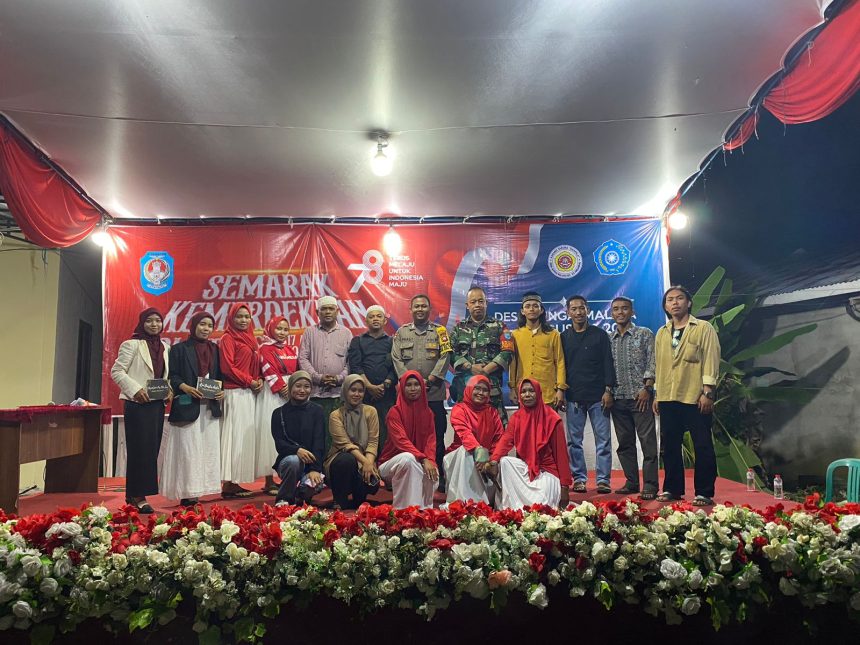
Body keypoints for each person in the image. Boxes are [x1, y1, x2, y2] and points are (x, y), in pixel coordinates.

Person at [653, 286, 721, 506]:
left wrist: (708, 392)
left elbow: (711, 359)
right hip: (667, 396)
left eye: (680, 298)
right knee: (670, 446)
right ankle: (672, 489)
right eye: (670, 300)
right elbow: (660, 366)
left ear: (689, 303)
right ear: (665, 306)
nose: (675, 303)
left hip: (695, 396)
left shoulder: (703, 328)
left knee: (702, 445)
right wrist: (657, 394)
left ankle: (704, 492)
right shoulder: (662, 332)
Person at [160, 311, 224, 507]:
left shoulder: (215, 349)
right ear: (193, 325)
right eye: (202, 324)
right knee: (188, 451)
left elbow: (219, 375)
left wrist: (220, 392)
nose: (206, 329)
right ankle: (187, 493)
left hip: (209, 408)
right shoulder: (179, 349)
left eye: (209, 325)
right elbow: (173, 375)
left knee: (206, 451)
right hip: (188, 405)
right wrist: (185, 387)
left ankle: (202, 489)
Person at [110, 307, 171, 513]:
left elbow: (164, 375)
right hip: (137, 404)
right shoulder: (132, 345)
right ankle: (138, 496)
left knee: (151, 450)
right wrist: (135, 390)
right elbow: (117, 371)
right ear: (142, 323)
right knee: (139, 450)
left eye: (158, 321)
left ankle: (133, 494)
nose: (154, 325)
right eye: (149, 321)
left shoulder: (165, 347)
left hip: (156, 404)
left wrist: (169, 390)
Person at [391, 294, 451, 491]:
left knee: (437, 437)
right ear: (410, 309)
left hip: (433, 395)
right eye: (416, 306)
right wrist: (410, 383)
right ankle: (407, 474)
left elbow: (445, 356)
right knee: (407, 437)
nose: (420, 309)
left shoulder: (440, 332)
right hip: (407, 399)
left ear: (429, 309)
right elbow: (396, 358)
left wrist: (431, 380)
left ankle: (438, 476)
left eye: (423, 306)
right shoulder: (401, 332)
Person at [486, 379, 572, 509]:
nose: (527, 395)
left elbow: (561, 456)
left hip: (547, 472)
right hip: (527, 470)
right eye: (523, 391)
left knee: (541, 507)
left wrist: (565, 487)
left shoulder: (552, 418)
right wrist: (493, 461)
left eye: (531, 391)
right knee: (505, 462)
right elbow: (505, 441)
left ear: (538, 393)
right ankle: (512, 508)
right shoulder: (517, 417)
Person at [560, 295, 616, 494]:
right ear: (567, 313)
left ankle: (603, 479)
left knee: (604, 440)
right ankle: (580, 479)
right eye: (573, 309)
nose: (578, 312)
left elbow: (608, 363)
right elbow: (561, 366)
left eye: (581, 308)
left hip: (598, 396)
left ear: (588, 310)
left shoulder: (600, 335)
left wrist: (608, 390)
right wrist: (562, 392)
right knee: (574, 442)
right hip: (574, 396)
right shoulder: (563, 337)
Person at [608, 297, 658, 499]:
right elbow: (606, 369)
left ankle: (651, 485)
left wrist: (647, 388)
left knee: (647, 443)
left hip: (641, 398)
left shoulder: (644, 334)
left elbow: (653, 362)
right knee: (625, 443)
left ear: (632, 311)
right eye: (616, 309)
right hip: (618, 398)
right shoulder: (609, 339)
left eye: (624, 309)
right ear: (611, 314)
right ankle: (631, 482)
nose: (620, 312)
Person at [449, 286, 513, 422]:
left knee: (497, 433)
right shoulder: (458, 329)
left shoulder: (500, 327)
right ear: (467, 305)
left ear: (486, 303)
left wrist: (485, 370)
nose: (477, 305)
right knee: (466, 433)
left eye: (480, 301)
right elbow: (450, 353)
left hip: (491, 391)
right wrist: (469, 367)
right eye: (473, 302)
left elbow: (508, 351)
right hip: (465, 391)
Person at [219, 302, 263, 498]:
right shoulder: (227, 338)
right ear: (231, 318)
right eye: (239, 316)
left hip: (248, 392)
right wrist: (249, 381)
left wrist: (258, 379)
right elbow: (227, 368)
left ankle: (234, 482)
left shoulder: (251, 339)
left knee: (242, 437)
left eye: (247, 316)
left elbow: (254, 364)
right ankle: (227, 483)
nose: (243, 320)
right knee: (233, 436)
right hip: (234, 392)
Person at [378, 371, 438, 509]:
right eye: (408, 385)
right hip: (389, 465)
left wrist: (431, 461)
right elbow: (401, 441)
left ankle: (424, 511)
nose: (413, 388)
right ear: (402, 388)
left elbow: (431, 441)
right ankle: (406, 510)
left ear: (422, 387)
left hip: (418, 460)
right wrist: (423, 459)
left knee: (433, 474)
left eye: (416, 384)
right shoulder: (395, 412)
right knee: (408, 459)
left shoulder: (428, 413)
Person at [444, 375, 505, 505]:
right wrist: (480, 453)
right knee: (465, 451)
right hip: (458, 458)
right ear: (469, 389)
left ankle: (503, 506)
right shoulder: (459, 409)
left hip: (485, 462)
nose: (481, 393)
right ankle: (466, 504)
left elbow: (499, 439)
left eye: (485, 390)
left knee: (505, 462)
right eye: (477, 388)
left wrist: (492, 461)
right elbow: (465, 434)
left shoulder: (492, 412)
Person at [298, 296, 353, 438]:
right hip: (315, 394)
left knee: (338, 436)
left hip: (339, 395)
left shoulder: (346, 333)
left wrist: (339, 378)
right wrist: (318, 378)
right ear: (317, 312)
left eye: (331, 308)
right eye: (324, 309)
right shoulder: (309, 332)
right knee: (315, 435)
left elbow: (350, 361)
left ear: (337, 311)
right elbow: (303, 359)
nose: (328, 312)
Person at [324, 375, 381, 510]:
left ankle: (359, 498)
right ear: (345, 391)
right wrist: (366, 463)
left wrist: (369, 463)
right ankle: (339, 499)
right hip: (340, 460)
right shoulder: (336, 415)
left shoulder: (370, 411)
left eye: (360, 391)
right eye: (352, 390)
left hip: (364, 459)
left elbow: (373, 442)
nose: (357, 394)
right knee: (346, 459)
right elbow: (345, 445)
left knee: (371, 484)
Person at [271, 371, 326, 505]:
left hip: (311, 464)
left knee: (313, 484)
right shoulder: (278, 413)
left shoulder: (317, 411)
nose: (302, 390)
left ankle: (300, 494)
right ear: (290, 388)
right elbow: (280, 444)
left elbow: (319, 442)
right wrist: (297, 450)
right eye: (298, 386)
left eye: (306, 386)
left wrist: (315, 469)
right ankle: (284, 499)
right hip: (289, 462)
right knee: (294, 461)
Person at [347, 305, 397, 451]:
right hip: (363, 395)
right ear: (366, 321)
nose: (375, 319)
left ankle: (384, 468)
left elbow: (396, 367)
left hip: (386, 395)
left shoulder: (392, 342)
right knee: (363, 434)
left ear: (385, 321)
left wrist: (384, 385)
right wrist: (369, 387)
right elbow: (355, 367)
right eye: (371, 316)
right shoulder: (357, 341)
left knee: (386, 434)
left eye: (379, 316)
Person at [509, 293, 566, 409]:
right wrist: (512, 389)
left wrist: (560, 390)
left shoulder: (553, 334)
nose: (531, 309)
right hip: (524, 394)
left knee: (549, 427)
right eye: (527, 306)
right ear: (522, 311)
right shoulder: (515, 335)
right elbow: (512, 364)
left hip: (548, 394)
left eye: (535, 306)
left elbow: (560, 362)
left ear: (541, 310)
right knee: (526, 427)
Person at [256, 316, 292, 495]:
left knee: (288, 432)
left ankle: (285, 476)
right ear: (270, 329)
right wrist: (281, 387)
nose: (282, 333)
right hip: (273, 394)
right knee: (271, 433)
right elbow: (267, 368)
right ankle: (269, 480)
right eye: (279, 329)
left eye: (286, 329)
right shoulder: (265, 348)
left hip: (290, 393)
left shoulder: (289, 348)